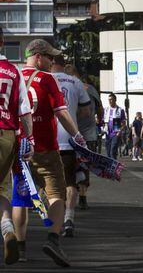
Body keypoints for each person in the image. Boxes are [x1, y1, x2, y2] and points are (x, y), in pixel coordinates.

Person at [13, 39, 86, 267]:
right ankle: (53, 239)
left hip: (19, 149)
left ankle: (21, 248)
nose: (52, 61)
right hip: (45, 148)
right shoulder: (47, 79)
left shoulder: (12, 77)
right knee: (57, 195)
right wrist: (77, 135)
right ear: (37, 56)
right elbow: (62, 113)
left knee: (20, 200)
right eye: (49, 57)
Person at [0, 26, 33, 265]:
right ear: (2, 42)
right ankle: (7, 228)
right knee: (1, 188)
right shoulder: (13, 71)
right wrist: (29, 140)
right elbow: (24, 110)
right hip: (6, 133)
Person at [51, 56, 91, 237]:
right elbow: (86, 111)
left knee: (50, 183)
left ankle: (54, 221)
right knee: (70, 181)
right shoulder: (75, 81)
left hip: (48, 138)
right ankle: (69, 218)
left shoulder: (44, 79)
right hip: (69, 137)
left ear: (51, 62)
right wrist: (72, 119)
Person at [75, 75, 103, 210]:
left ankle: (64, 196)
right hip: (89, 134)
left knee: (67, 164)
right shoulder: (91, 89)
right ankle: (82, 197)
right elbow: (100, 109)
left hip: (70, 133)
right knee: (85, 166)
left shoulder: (64, 85)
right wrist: (99, 121)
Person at [103, 93, 126, 160]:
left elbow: (124, 123)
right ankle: (110, 167)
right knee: (108, 152)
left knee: (113, 151)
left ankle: (113, 168)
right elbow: (103, 121)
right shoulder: (106, 109)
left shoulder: (120, 110)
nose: (110, 101)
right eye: (109, 100)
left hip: (115, 133)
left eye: (111, 99)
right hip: (107, 134)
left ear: (115, 100)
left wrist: (120, 131)